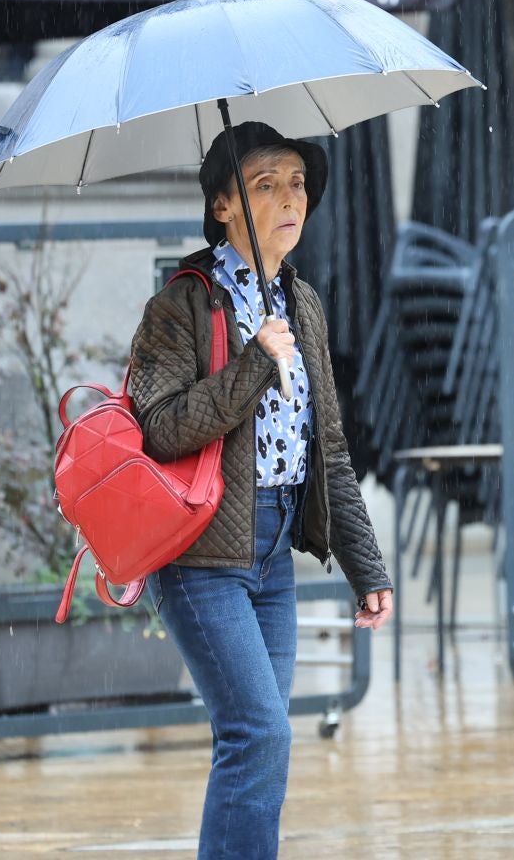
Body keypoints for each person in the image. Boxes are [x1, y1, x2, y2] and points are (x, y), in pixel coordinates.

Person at [128, 122, 394, 860]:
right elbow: (161, 429)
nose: (290, 198)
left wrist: (366, 570)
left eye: (298, 182)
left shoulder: (301, 304)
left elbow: (329, 448)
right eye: (266, 184)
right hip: (200, 555)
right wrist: (253, 363)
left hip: (274, 552)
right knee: (259, 734)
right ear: (221, 206)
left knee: (258, 740)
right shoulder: (181, 305)